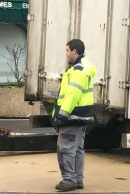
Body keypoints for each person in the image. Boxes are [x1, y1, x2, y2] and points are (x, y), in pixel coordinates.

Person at [51, 39, 96, 191]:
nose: (66, 53)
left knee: (66, 149)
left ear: (74, 51)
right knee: (77, 149)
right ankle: (77, 179)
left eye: (67, 50)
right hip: (80, 116)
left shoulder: (77, 71)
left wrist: (61, 116)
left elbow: (72, 96)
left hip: (72, 116)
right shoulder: (83, 68)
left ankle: (69, 179)